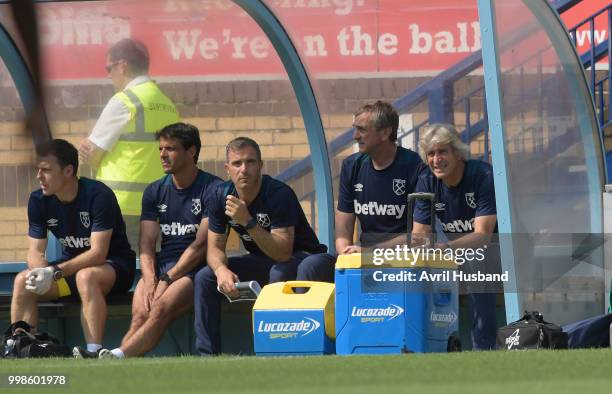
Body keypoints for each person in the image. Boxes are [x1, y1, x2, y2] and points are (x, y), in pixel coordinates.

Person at [98, 123, 222, 359]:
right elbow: (146, 244)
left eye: (171, 149)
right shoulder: (155, 191)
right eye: (161, 148)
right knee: (139, 314)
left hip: (195, 270)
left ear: (191, 152)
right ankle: (117, 362)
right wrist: (150, 277)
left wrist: (167, 279)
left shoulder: (212, 189)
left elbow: (200, 246)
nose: (163, 154)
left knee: (160, 308)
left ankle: (116, 357)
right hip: (162, 267)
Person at [194, 137, 327, 355]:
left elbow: (283, 253)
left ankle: (276, 349)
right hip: (263, 259)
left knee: (278, 271)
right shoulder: (219, 196)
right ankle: (207, 355)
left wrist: (247, 220)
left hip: (301, 256)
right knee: (205, 277)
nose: (244, 169)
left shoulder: (278, 194)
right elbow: (214, 248)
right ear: (227, 169)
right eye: (237, 164)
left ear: (261, 165)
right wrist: (221, 270)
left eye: (250, 162)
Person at [9, 139, 135, 358]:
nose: (39, 176)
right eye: (38, 170)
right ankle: (20, 347)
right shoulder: (38, 200)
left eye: (46, 170)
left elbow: (98, 253)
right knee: (23, 281)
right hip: (69, 274)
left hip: (113, 268)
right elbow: (36, 251)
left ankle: (93, 352)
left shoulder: (98, 196)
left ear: (68, 171)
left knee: (86, 277)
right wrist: (40, 273)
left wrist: (53, 272)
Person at [298, 100, 423, 279]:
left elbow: (419, 237)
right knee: (312, 265)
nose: (355, 136)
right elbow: (343, 229)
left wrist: (371, 252)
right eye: (355, 128)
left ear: (385, 132)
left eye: (362, 129)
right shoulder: (352, 165)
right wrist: (346, 256)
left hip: (400, 260)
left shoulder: (413, 166)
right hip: (361, 256)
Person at [78, 38, 180, 245]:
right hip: (159, 204)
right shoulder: (168, 104)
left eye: (109, 68)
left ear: (122, 66)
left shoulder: (123, 101)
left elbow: (91, 153)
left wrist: (88, 154)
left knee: (120, 269)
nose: (108, 74)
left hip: (121, 205)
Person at [411, 123, 499, 350]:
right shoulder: (426, 181)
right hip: (455, 251)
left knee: (479, 264)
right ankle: (423, 344)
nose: (436, 159)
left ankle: (484, 349)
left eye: (442, 152)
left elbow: (483, 236)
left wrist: (445, 250)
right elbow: (420, 234)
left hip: (497, 251)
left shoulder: (483, 175)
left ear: (458, 153)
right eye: (431, 153)